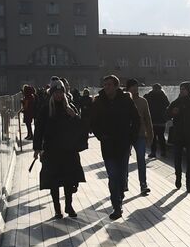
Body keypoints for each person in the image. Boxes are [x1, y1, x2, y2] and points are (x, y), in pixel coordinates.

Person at [86, 74, 138, 220]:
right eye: (105, 84)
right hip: (107, 144)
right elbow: (93, 121)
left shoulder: (125, 100)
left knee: (122, 175)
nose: (107, 87)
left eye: (109, 84)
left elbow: (136, 119)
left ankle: (120, 194)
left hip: (123, 143)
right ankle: (117, 206)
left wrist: (132, 138)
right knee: (113, 176)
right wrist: (100, 135)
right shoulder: (99, 101)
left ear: (116, 86)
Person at [33, 79, 87, 218]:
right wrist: (37, 148)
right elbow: (39, 129)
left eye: (61, 92)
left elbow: (81, 126)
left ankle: (69, 205)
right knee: (54, 181)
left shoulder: (70, 108)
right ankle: (57, 208)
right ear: (52, 94)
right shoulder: (46, 109)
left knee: (70, 180)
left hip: (68, 151)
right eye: (56, 92)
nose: (58, 95)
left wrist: (74, 116)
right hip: (51, 151)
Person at [168, 81, 190, 192]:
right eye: (181, 89)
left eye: (183, 89)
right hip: (178, 135)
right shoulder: (175, 103)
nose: (181, 91)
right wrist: (172, 113)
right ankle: (178, 178)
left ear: (188, 90)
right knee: (177, 159)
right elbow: (165, 115)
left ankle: (189, 184)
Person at [125, 78, 154, 196]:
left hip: (140, 135)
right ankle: (124, 182)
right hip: (126, 135)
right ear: (128, 88)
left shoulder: (143, 101)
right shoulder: (124, 100)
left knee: (141, 159)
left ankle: (143, 184)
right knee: (124, 160)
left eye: (136, 86)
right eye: (133, 86)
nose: (136, 88)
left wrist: (150, 134)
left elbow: (148, 118)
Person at [145, 82, 170, 158]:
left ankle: (153, 152)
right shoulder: (163, 96)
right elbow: (167, 104)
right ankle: (163, 152)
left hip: (152, 119)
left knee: (153, 137)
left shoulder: (149, 96)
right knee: (161, 137)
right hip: (160, 120)